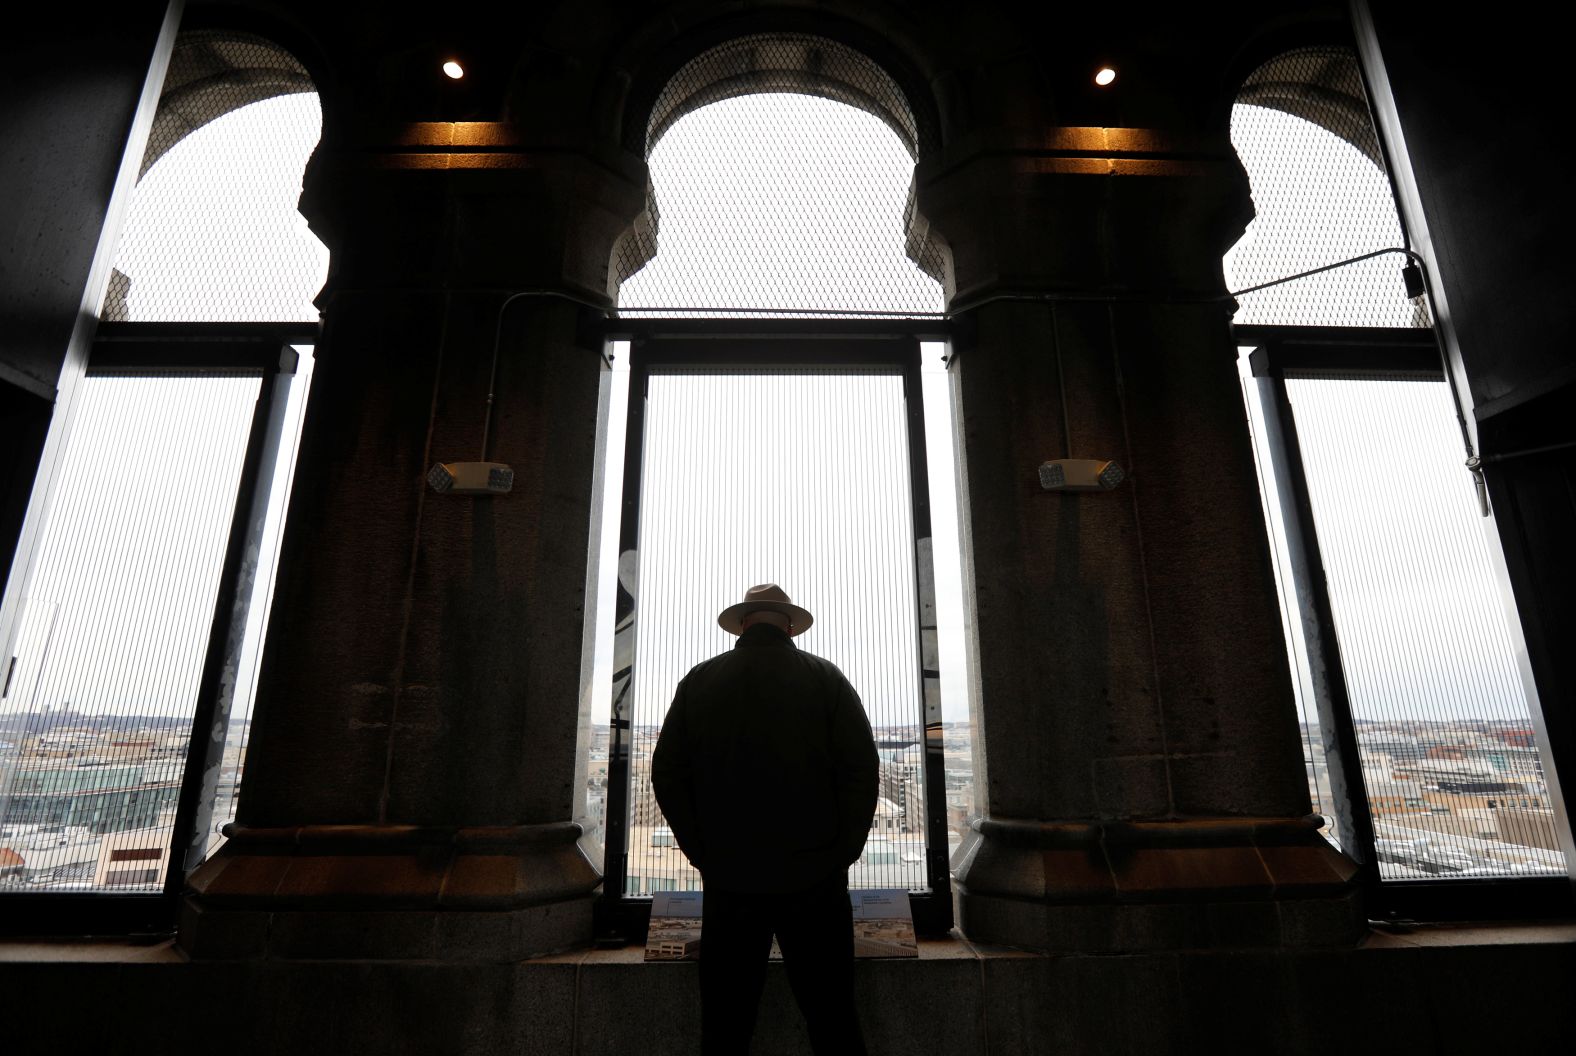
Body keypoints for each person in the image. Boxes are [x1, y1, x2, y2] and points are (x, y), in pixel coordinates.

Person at [652, 583, 879, 1056]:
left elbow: (668, 774)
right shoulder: (826, 678)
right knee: (834, 1021)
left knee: (725, 1027)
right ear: (791, 626)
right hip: (814, 880)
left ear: (743, 625)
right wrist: (841, 853)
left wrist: (702, 851)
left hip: (730, 881)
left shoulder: (699, 680)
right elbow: (861, 770)